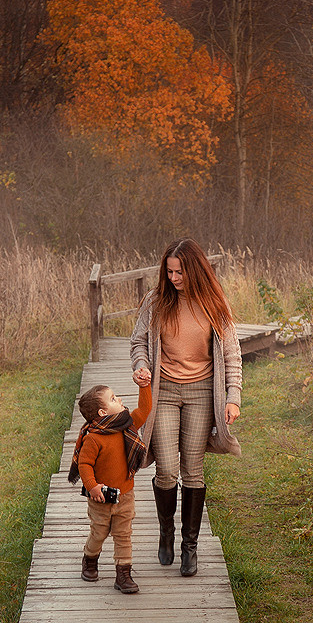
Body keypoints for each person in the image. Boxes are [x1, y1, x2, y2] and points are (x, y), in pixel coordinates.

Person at [130, 237, 242, 577]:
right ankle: (166, 531)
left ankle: (189, 546)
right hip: (163, 391)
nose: (174, 278)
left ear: (195, 270)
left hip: (201, 393)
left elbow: (232, 354)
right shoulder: (155, 301)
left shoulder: (214, 303)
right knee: (166, 469)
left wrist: (233, 396)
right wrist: (141, 365)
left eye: (180, 272)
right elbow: (138, 342)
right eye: (169, 271)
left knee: (192, 470)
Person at [68, 382, 153, 594]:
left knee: (123, 535)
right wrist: (92, 486)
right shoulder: (93, 438)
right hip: (101, 498)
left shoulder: (127, 425)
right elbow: (84, 464)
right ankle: (90, 559)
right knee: (99, 533)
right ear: (102, 412)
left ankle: (123, 574)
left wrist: (145, 386)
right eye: (113, 398)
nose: (120, 399)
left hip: (125, 495)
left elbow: (144, 410)